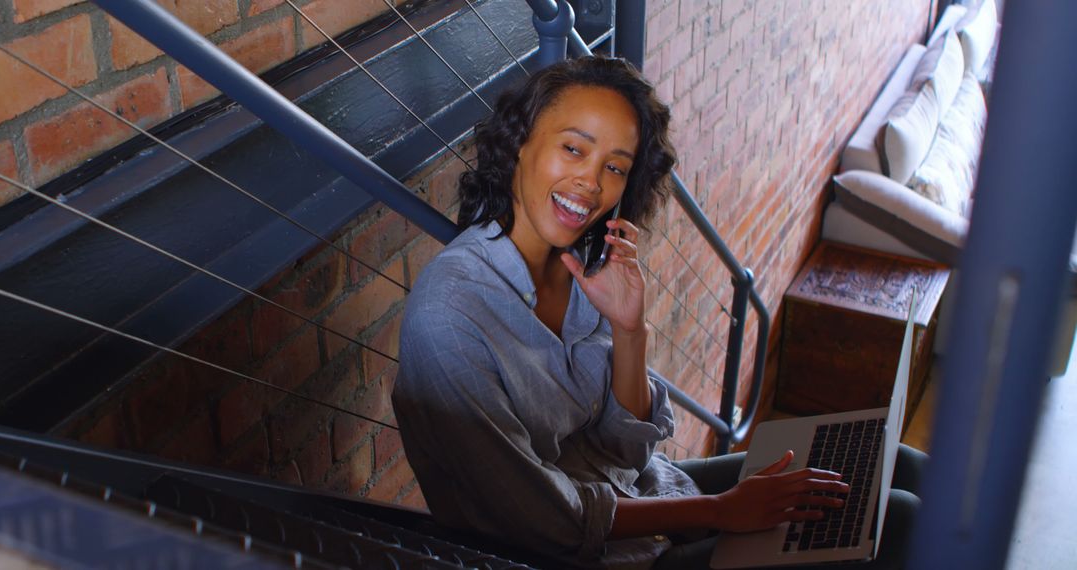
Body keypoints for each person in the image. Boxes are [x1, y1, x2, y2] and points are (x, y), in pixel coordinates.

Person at [391, 56, 925, 569]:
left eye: (615, 167)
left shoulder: (583, 265)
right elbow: (541, 518)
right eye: (574, 149)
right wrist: (721, 512)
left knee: (893, 464)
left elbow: (624, 449)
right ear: (519, 146)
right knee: (900, 521)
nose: (592, 184)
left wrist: (629, 329)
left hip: (643, 493)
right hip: (581, 554)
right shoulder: (449, 314)